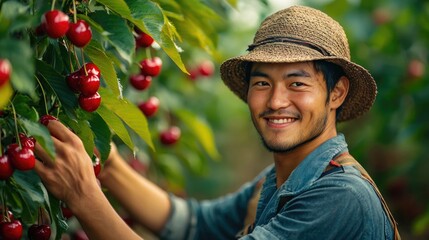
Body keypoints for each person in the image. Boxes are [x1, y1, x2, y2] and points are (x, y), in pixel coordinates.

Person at [34, 5, 401, 240]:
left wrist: (83, 196)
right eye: (262, 83)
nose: (275, 101)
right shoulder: (278, 181)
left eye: (297, 83)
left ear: (336, 94)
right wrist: (108, 164)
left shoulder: (339, 198)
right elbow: (194, 225)